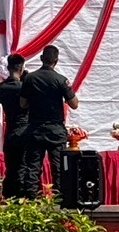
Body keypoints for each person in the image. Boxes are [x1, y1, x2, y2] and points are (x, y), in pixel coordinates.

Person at [19, 45, 79, 200]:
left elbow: (23, 104)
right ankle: (59, 200)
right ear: (56, 61)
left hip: (35, 129)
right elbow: (74, 104)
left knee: (33, 167)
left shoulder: (30, 78)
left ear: (41, 59)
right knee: (59, 168)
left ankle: (32, 199)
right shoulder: (61, 80)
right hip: (55, 129)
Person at [0, 54, 28, 198]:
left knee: (11, 166)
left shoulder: (0, 88)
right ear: (21, 69)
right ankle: (21, 195)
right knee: (23, 165)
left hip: (10, 129)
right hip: (24, 128)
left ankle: (9, 195)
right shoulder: (25, 87)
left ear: (8, 68)